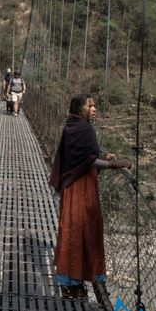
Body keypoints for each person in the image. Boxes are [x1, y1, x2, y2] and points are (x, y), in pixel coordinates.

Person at [49, 94, 131, 299]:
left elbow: (83, 159)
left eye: (94, 105)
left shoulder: (73, 126)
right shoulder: (83, 128)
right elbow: (87, 160)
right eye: (90, 106)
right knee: (79, 232)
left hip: (76, 187)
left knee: (72, 232)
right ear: (80, 109)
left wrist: (102, 159)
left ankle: (72, 283)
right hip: (80, 189)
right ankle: (73, 284)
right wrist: (112, 164)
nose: (94, 109)